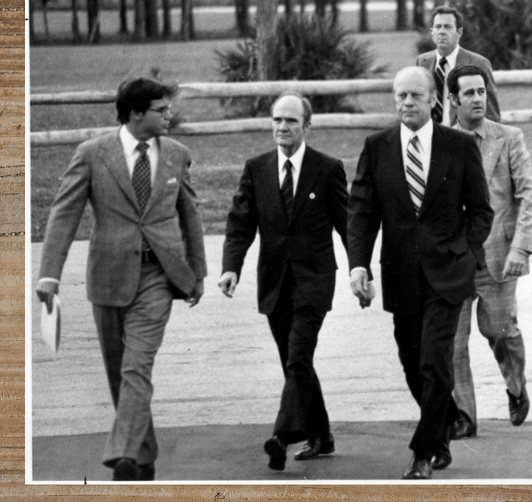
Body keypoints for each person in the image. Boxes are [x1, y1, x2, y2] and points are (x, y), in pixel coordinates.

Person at [36, 77, 207, 481]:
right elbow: (64, 213)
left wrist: (197, 272)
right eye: (161, 110)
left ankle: (123, 456)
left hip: (159, 276)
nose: (170, 115)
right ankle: (142, 458)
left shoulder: (176, 154)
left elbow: (191, 213)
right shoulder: (92, 154)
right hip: (108, 277)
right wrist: (49, 275)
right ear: (135, 114)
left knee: (136, 365)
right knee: (120, 372)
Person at [347, 66, 493, 479]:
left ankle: (423, 453)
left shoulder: (458, 146)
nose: (407, 102)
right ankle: (445, 423)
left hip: (448, 273)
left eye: (415, 95)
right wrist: (358, 264)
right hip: (400, 273)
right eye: (400, 96)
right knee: (411, 361)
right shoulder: (377, 147)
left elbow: (480, 210)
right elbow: (362, 212)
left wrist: (469, 255)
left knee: (434, 360)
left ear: (433, 100)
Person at [218, 92, 348, 472]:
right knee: (296, 362)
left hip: (314, 280)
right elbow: (240, 224)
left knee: (297, 356)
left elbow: (348, 224)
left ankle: (282, 435)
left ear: (307, 125)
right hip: (274, 282)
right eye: (277, 120)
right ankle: (321, 436)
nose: (282, 127)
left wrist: (360, 268)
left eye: (291, 120)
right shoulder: (257, 168)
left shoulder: (328, 168)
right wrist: (231, 267)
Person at [448, 64, 532, 440]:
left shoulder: (509, 138)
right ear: (453, 99)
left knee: (500, 332)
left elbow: (529, 194)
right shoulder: (440, 142)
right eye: (469, 93)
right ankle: (464, 416)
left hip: (498, 256)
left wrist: (521, 247)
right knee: (452, 344)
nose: (477, 99)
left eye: (481, 92)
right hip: (453, 261)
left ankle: (516, 387)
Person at [415, 5, 501, 125]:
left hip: (463, 134)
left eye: (448, 27)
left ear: (459, 32)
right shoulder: (422, 62)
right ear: (432, 32)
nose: (442, 31)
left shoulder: (478, 63)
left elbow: (492, 115)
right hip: (431, 134)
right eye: (438, 27)